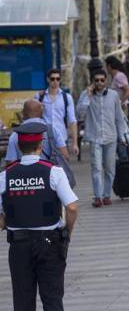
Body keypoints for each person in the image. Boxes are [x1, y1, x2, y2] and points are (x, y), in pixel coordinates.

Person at [0, 121, 78, 311]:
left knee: (23, 300)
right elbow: (72, 207)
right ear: (41, 145)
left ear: (18, 146)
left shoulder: (5, 176)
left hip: (19, 246)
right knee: (52, 299)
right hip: (49, 243)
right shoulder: (53, 172)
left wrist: (6, 222)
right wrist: (67, 231)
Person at [77, 69, 127, 208]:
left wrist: (122, 135)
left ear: (106, 81)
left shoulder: (113, 95)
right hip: (95, 137)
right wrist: (88, 96)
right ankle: (98, 197)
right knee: (96, 168)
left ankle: (107, 195)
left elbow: (119, 116)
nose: (99, 83)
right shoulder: (86, 95)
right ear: (92, 81)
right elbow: (80, 114)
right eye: (96, 80)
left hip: (111, 136)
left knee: (110, 169)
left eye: (102, 80)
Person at [37, 69, 79, 158]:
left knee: (62, 166)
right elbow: (34, 116)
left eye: (58, 79)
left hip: (62, 138)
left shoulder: (66, 97)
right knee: (45, 166)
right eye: (52, 79)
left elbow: (72, 121)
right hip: (44, 138)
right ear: (48, 79)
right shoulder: (40, 96)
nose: (55, 81)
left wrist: (75, 143)